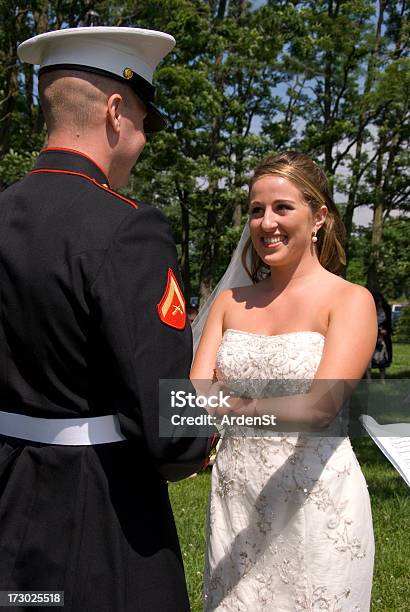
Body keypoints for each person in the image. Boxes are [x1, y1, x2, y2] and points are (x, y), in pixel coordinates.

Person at [0, 27, 216, 611]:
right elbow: (171, 426)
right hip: (99, 514)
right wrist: (203, 437)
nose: (143, 139)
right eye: (145, 122)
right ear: (116, 113)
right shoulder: (127, 227)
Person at [191, 151, 378, 611]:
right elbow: (195, 389)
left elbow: (320, 407)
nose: (266, 222)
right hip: (236, 502)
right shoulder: (230, 303)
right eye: (256, 210)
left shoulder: (350, 301)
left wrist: (239, 407)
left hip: (317, 507)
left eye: (282, 207)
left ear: (319, 217)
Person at [367, 291, 392, 383]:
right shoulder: (369, 309)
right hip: (371, 337)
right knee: (368, 359)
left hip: (383, 338)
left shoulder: (386, 308)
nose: (379, 304)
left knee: (382, 358)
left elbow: (389, 323)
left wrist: (386, 331)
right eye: (377, 302)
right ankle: (369, 380)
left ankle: (382, 379)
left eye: (380, 302)